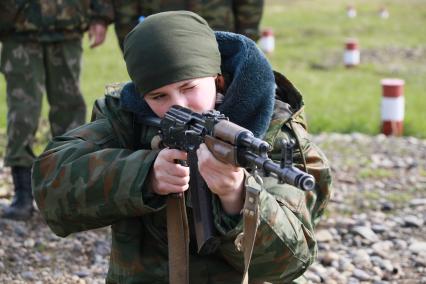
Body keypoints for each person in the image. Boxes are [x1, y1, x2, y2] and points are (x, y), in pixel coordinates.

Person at [32, 11, 332, 283]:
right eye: (159, 97)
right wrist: (144, 174)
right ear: (142, 95)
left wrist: (239, 196)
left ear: (218, 80)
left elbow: (291, 263)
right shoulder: (129, 119)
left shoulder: (272, 129)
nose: (178, 105)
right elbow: (50, 185)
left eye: (189, 88)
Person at [0, 0, 114, 220]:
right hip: (18, 24)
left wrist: (101, 15)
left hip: (67, 21)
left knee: (70, 111)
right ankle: (22, 195)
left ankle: (69, 193)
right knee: (22, 113)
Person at [111, 0, 263, 51]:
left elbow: (249, 5)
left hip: (219, 39)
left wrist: (245, 41)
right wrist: (132, 46)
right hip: (161, 42)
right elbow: (126, 6)